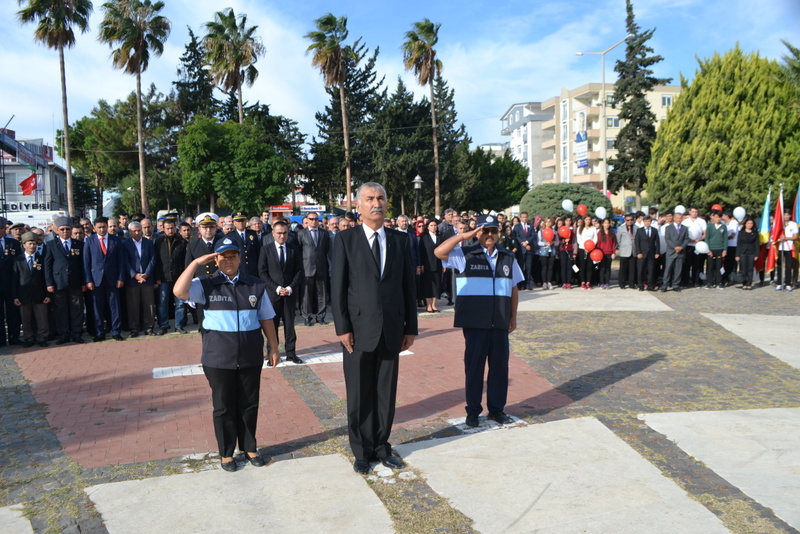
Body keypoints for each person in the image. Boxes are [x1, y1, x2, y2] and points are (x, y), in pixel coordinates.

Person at [331, 182, 417, 475]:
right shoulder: (345, 240)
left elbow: (408, 286)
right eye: (369, 199)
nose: (376, 203)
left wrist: (411, 327)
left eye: (380, 197)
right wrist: (342, 328)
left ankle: (382, 446)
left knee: (384, 393)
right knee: (358, 393)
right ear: (358, 206)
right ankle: (361, 451)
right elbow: (338, 287)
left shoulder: (400, 240)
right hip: (357, 329)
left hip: (392, 328)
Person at [173, 238, 280, 472]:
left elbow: (266, 317)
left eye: (233, 256)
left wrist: (273, 346)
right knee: (223, 407)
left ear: (240, 258)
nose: (228, 260)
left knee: (249, 404)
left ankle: (250, 447)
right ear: (215, 259)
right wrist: (196, 263)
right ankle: (227, 453)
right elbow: (179, 291)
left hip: (250, 355)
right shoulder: (205, 284)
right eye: (223, 256)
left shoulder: (255, 285)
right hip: (218, 358)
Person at [434, 214, 523, 428]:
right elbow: (439, 252)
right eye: (485, 230)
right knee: (474, 369)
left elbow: (514, 288)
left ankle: (497, 409)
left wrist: (513, 316)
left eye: (494, 230)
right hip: (475, 322)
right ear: (478, 232)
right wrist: (463, 236)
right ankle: (473, 410)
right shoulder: (465, 254)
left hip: (500, 321)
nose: (490, 235)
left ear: (498, 233)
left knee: (500, 368)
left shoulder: (508, 257)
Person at [258, 220, 304, 365]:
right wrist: (277, 288)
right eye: (279, 233)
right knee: (272, 325)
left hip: (290, 293)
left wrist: (290, 287)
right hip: (273, 294)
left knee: (290, 325)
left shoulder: (293, 249)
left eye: (284, 233)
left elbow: (299, 270)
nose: (282, 236)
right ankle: (272, 353)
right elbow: (262, 272)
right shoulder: (266, 249)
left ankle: (291, 353)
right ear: (273, 233)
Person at [83, 217, 125, 342]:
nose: (102, 229)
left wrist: (120, 278)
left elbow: (121, 262)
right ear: (94, 228)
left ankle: (116, 331)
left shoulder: (115, 240)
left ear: (107, 227)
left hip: (112, 279)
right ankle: (99, 332)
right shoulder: (89, 241)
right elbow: (86, 262)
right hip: (96, 280)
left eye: (104, 227)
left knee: (115, 306)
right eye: (99, 227)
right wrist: (88, 280)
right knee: (97, 307)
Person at [12, 232, 50, 348]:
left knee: (42, 318)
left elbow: (46, 277)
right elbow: (14, 280)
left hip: (40, 294)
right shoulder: (17, 260)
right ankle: (28, 338)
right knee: (26, 319)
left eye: (34, 244)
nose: (32, 246)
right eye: (30, 244)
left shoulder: (41, 258)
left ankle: (42, 337)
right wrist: (15, 296)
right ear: (24, 245)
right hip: (23, 295)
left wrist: (47, 294)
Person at [154, 218, 188, 334]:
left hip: (179, 277)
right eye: (167, 228)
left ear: (175, 228)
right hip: (163, 277)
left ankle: (179, 325)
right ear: (163, 229)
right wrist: (157, 276)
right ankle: (163, 325)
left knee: (180, 302)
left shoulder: (182, 242)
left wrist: (185, 277)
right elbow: (156, 261)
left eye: (172, 228)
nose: (170, 230)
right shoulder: (158, 242)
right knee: (162, 302)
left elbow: (185, 261)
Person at [123, 221, 156, 336]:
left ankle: (149, 327)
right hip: (132, 280)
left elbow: (152, 259)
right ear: (129, 232)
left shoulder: (148, 242)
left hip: (147, 278)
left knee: (149, 304)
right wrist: (134, 275)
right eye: (134, 231)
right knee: (133, 305)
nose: (137, 233)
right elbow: (125, 261)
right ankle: (134, 328)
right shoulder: (125, 244)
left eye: (139, 230)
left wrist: (146, 274)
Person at [297, 211, 330, 326]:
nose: (314, 221)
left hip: (321, 267)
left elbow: (326, 250)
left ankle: (320, 316)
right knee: (306, 294)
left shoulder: (324, 233)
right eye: (311, 219)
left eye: (316, 219)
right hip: (306, 268)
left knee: (322, 293)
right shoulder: (301, 234)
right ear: (307, 219)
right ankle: (307, 316)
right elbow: (298, 251)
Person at [0, 216, 23, 346]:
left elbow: (19, 262)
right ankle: (1, 339)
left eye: (2, 228)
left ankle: (14, 337)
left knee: (13, 312)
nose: (0, 231)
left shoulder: (13, 243)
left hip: (11, 283)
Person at [419, 219, 442, 313]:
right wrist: (421, 264)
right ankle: (428, 305)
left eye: (435, 225)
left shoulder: (440, 237)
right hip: (427, 265)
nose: (434, 227)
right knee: (428, 285)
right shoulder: (424, 238)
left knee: (437, 284)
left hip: (438, 264)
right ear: (428, 227)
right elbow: (420, 252)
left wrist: (444, 263)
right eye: (431, 225)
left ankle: (434, 305)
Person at [662, 211, 689, 292]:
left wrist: (681, 247)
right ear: (674, 218)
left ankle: (675, 285)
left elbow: (686, 239)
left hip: (681, 251)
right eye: (677, 218)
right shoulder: (668, 228)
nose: (678, 220)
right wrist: (674, 247)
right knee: (668, 269)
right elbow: (667, 239)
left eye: (680, 218)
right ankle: (665, 285)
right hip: (671, 251)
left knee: (678, 269)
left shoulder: (685, 228)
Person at [228, 212, 261, 277]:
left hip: (253, 269)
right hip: (238, 269)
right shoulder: (230, 236)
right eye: (238, 221)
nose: (240, 223)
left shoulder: (252, 234)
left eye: (242, 220)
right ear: (234, 222)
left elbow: (258, 251)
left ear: (246, 221)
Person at [774, 210, 798, 292]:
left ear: (790, 216)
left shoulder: (793, 224)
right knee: (779, 266)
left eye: (787, 215)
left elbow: (796, 237)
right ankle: (779, 283)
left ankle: (788, 284)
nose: (786, 216)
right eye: (784, 215)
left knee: (788, 266)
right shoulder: (778, 224)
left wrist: (786, 238)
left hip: (789, 247)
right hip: (780, 247)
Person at [635, 216, 660, 291]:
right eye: (645, 221)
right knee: (641, 270)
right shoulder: (640, 230)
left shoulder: (654, 230)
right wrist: (638, 252)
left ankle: (650, 285)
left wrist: (657, 252)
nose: (647, 223)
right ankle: (641, 285)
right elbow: (637, 242)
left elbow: (657, 242)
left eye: (648, 221)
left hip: (651, 253)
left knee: (651, 270)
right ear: (643, 222)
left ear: (651, 222)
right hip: (642, 253)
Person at [704, 210, 727, 290]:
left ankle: (719, 282)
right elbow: (707, 238)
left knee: (719, 267)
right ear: (713, 217)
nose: (717, 219)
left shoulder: (723, 227)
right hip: (711, 249)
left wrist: (725, 250)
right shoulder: (710, 226)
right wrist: (708, 250)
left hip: (720, 249)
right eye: (716, 217)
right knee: (710, 267)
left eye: (719, 217)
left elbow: (725, 239)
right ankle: (709, 282)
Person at [513, 212, 536, 290]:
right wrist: (523, 243)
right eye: (523, 217)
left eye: (526, 217)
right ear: (520, 217)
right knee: (521, 267)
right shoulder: (517, 226)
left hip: (529, 249)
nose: (524, 218)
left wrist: (527, 242)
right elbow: (516, 236)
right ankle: (521, 284)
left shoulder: (531, 226)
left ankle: (528, 284)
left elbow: (533, 235)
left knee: (528, 267)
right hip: (521, 250)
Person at [735, 217, 758, 290]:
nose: (750, 225)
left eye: (751, 223)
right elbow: (738, 244)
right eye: (748, 223)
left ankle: (749, 283)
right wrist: (737, 255)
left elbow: (757, 244)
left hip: (751, 252)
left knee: (750, 269)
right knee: (743, 269)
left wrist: (757, 254)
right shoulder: (741, 232)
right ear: (745, 224)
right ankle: (744, 283)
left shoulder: (755, 233)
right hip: (742, 252)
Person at [596, 218, 616, 289]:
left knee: (608, 268)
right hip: (601, 253)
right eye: (605, 223)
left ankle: (607, 282)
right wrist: (597, 253)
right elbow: (598, 244)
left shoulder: (612, 233)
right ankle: (602, 282)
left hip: (609, 253)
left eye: (608, 223)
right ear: (602, 224)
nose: (607, 224)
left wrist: (613, 253)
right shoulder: (599, 233)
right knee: (602, 268)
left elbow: (614, 244)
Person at [536, 218, 556, 289]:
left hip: (552, 251)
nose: (548, 223)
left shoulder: (554, 232)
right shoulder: (541, 232)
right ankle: (544, 282)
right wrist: (545, 243)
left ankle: (549, 282)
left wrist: (553, 242)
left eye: (549, 222)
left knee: (550, 267)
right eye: (546, 222)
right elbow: (538, 242)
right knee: (544, 267)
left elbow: (557, 241)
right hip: (543, 251)